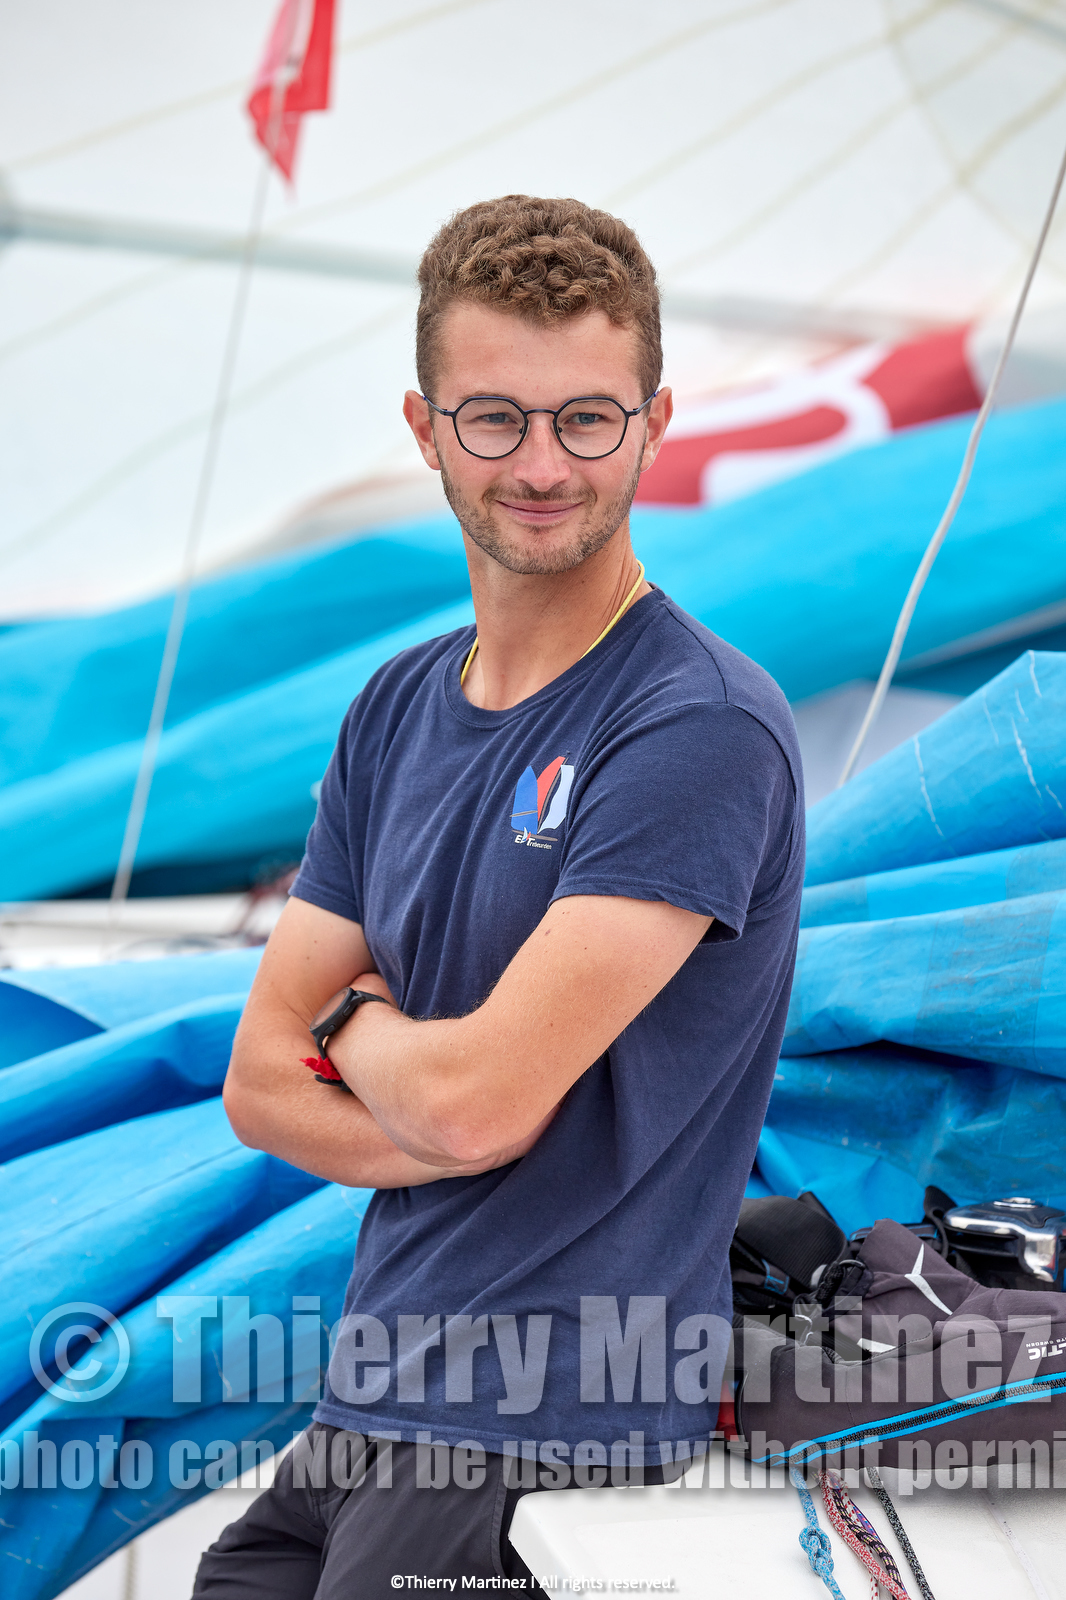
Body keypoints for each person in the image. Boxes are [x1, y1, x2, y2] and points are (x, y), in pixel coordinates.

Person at [202, 194, 804, 1597]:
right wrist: (442, 1107)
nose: (542, 463)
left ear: (654, 423)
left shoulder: (695, 725)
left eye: (586, 418)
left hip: (540, 1429)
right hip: (368, 1405)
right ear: (425, 429)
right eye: (494, 419)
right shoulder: (396, 706)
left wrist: (354, 1027)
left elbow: (464, 1100)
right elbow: (254, 1084)